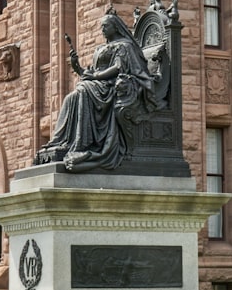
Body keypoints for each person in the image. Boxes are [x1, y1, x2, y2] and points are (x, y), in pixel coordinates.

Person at [36, 9, 157, 171]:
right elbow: (90, 71)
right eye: (102, 27)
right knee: (71, 98)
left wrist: (96, 77)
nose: (102, 30)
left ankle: (83, 142)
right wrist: (77, 67)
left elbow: (117, 67)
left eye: (105, 26)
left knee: (83, 91)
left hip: (111, 85)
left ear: (115, 27)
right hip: (98, 84)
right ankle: (61, 141)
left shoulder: (124, 46)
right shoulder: (102, 47)